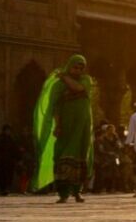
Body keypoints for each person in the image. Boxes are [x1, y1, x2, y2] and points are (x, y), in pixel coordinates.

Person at [32, 54, 97, 202]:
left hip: (82, 127)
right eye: (75, 67)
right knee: (62, 156)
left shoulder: (86, 80)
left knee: (81, 156)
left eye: (81, 68)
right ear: (69, 66)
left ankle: (77, 191)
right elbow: (55, 107)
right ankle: (63, 194)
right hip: (66, 127)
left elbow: (78, 88)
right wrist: (58, 125)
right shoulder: (59, 85)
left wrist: (64, 77)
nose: (78, 70)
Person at [0, 124, 19, 196]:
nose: (8, 132)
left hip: (10, 160)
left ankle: (7, 188)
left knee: (9, 175)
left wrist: (17, 158)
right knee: (1, 175)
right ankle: (2, 189)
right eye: (6, 130)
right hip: (1, 160)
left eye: (9, 130)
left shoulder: (12, 139)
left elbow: (15, 149)